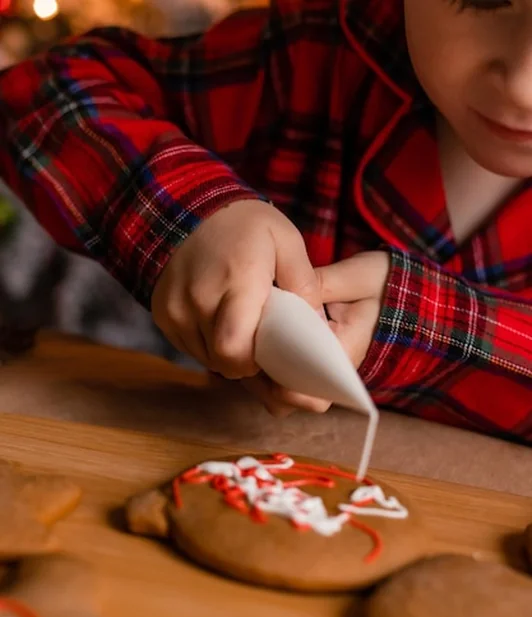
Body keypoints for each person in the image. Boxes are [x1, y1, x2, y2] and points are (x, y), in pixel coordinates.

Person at [0, 0, 530, 441]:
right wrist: (189, 211)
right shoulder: (309, 56)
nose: (522, 87)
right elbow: (40, 91)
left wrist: (428, 330)